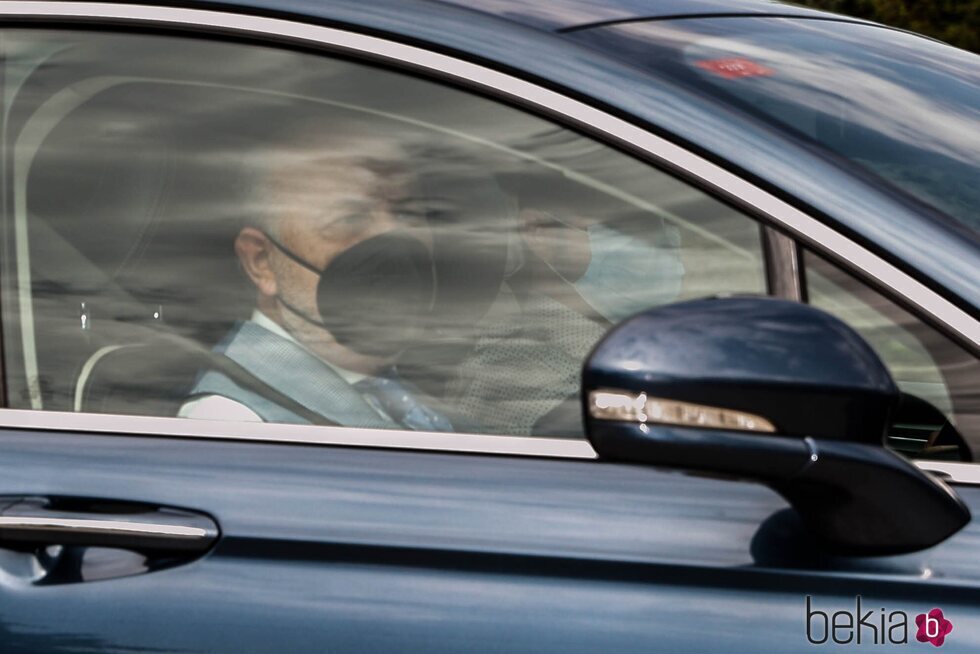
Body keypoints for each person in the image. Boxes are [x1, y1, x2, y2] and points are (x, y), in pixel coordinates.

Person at [178, 125, 452, 431]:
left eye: (407, 212)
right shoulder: (237, 428)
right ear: (262, 262)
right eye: (350, 219)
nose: (394, 237)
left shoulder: (398, 381)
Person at [444, 173, 685, 436]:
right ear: (537, 231)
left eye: (665, 239)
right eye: (620, 229)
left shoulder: (618, 350)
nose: (654, 256)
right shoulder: (522, 371)